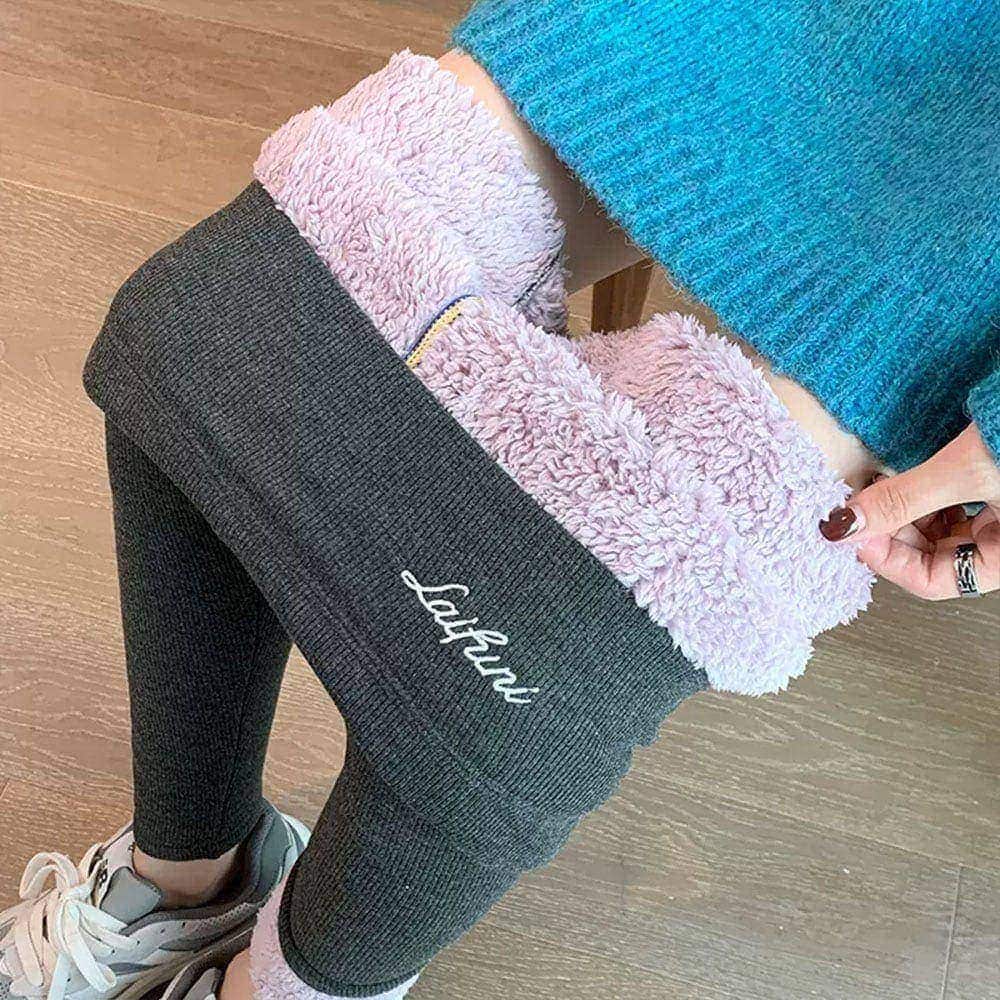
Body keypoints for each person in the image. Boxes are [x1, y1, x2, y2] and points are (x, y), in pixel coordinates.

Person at [2, 3, 996, 999]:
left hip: (959, 217)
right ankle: (186, 879)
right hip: (748, 27)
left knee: (507, 710)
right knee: (191, 345)